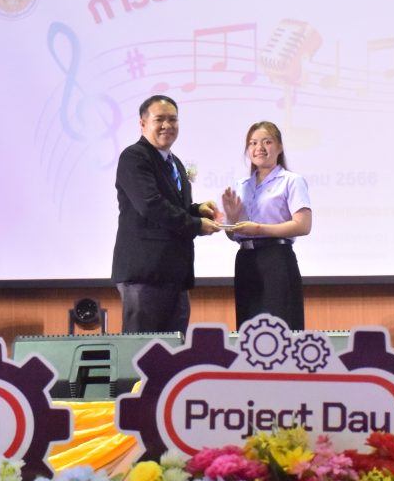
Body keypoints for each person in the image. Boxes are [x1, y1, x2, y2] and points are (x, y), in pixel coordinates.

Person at [112, 95, 222, 333]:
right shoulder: (134, 157)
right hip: (145, 275)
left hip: (174, 274)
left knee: (175, 351)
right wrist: (196, 224)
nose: (167, 125)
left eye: (173, 119)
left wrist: (198, 209)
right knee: (142, 350)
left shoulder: (175, 163)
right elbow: (151, 205)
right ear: (143, 123)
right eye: (159, 119)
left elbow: (174, 207)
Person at [222, 121, 312, 332]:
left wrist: (259, 229)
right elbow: (233, 235)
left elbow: (303, 225)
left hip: (276, 259)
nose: (259, 148)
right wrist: (231, 221)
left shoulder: (291, 181)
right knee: (248, 330)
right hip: (245, 261)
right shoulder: (241, 185)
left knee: (280, 328)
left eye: (267, 142)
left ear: (279, 147)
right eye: (253, 143)